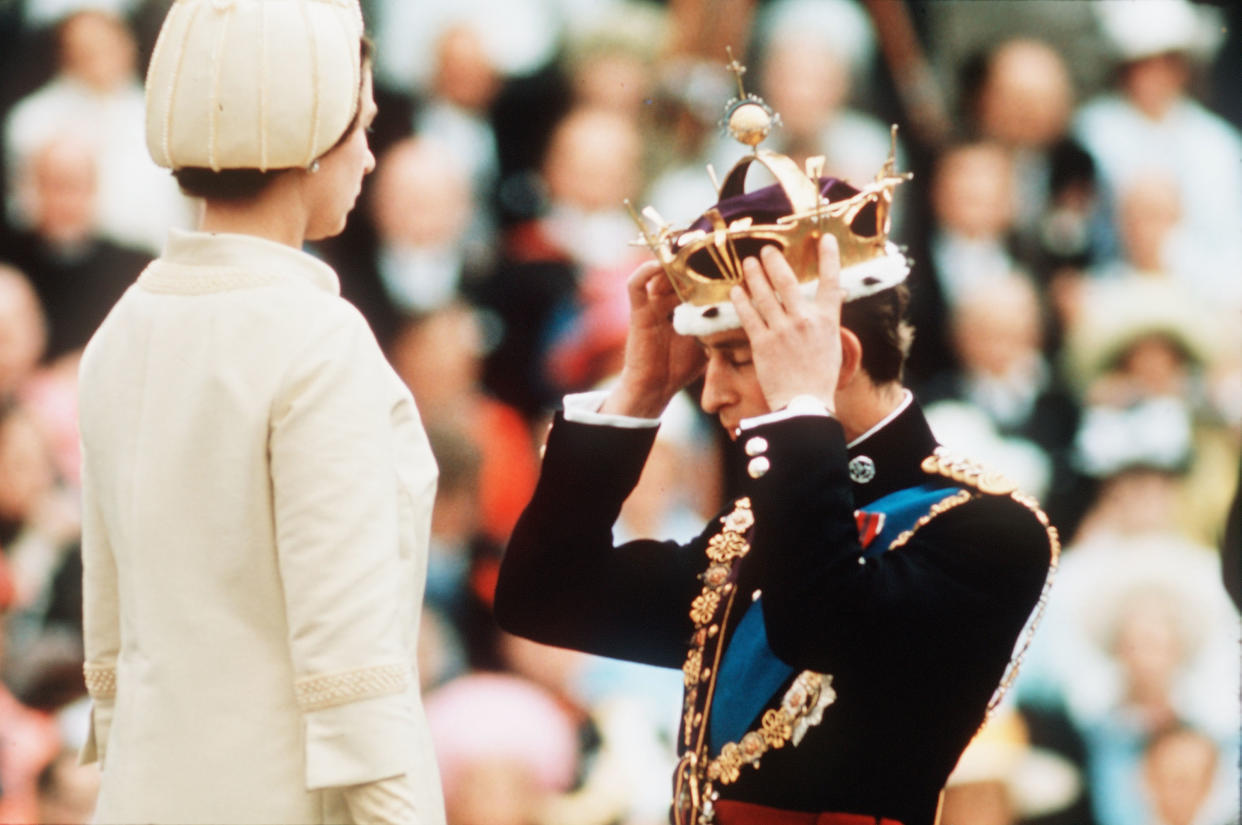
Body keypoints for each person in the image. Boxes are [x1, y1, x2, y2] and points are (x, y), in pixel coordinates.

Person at [494, 78, 1059, 825]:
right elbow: (544, 596)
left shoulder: (988, 531)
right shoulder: (750, 532)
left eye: (738, 356)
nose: (710, 394)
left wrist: (801, 409)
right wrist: (636, 392)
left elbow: (818, 623)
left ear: (838, 357)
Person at [76, 2, 445, 824]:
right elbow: (352, 669)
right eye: (363, 127)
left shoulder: (120, 329)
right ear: (311, 142)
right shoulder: (317, 341)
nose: (370, 156)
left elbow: (110, 654)